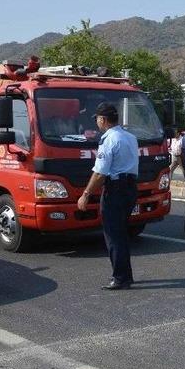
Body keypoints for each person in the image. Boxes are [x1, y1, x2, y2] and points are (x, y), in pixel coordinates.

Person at [77, 102, 139, 290]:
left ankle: (121, 278)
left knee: (113, 235)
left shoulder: (108, 139)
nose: (97, 122)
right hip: (130, 187)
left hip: (116, 189)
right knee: (121, 233)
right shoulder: (130, 137)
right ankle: (125, 275)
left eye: (97, 119)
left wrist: (86, 194)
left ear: (103, 120)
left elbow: (100, 173)